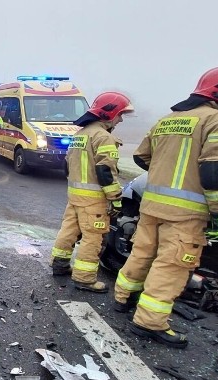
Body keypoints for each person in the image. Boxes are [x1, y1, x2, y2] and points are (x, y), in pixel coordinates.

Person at [113, 66, 218, 349]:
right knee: (171, 266)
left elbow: (141, 156)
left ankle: (123, 298)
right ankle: (149, 322)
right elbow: (214, 172)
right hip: (185, 213)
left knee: (142, 253)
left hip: (152, 205)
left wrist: (165, 176)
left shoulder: (169, 119)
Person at [50, 92, 134, 292]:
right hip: (94, 200)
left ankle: (59, 264)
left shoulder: (80, 135)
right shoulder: (104, 137)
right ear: (108, 113)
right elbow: (105, 171)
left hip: (75, 196)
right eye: (120, 114)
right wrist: (115, 199)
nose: (121, 119)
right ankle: (85, 278)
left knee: (69, 230)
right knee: (93, 237)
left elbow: (67, 166)